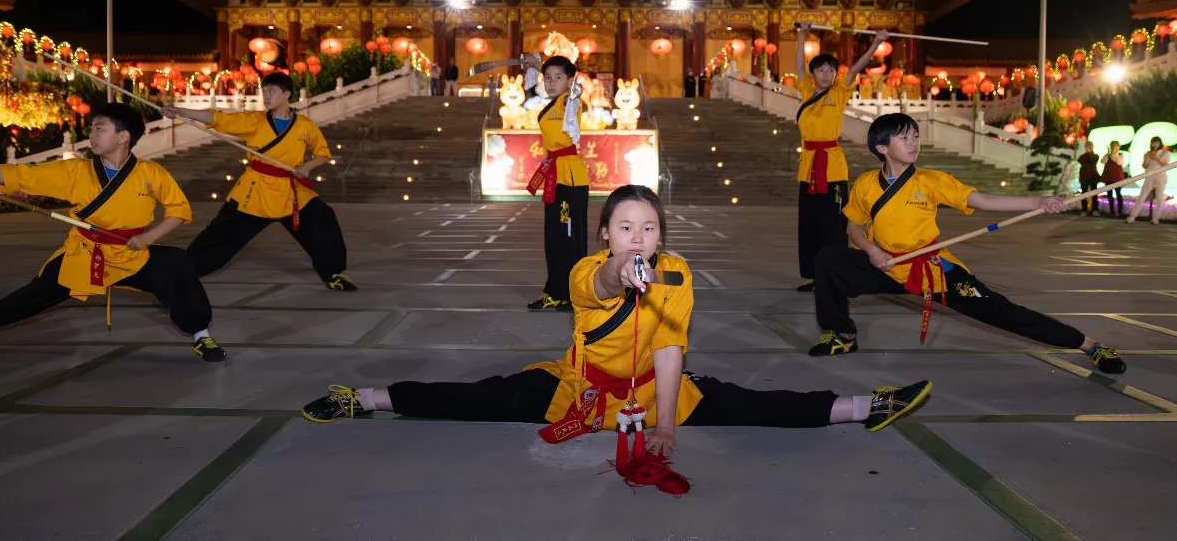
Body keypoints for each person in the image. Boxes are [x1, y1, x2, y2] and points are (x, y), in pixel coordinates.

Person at [301, 185, 933, 484]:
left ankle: (861, 407)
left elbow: (668, 347)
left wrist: (664, 423)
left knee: (751, 404)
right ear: (604, 234)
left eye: (649, 228)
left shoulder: (677, 275)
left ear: (663, 235)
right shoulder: (586, 270)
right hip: (577, 389)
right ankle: (370, 397)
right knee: (471, 399)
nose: (638, 238)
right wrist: (619, 274)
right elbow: (602, 288)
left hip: (655, 390)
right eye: (625, 227)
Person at [809, 113, 1127, 376]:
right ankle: (841, 335)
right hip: (887, 266)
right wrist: (872, 250)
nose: (913, 142)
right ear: (882, 147)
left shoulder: (931, 181)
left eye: (915, 136)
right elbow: (853, 226)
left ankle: (1089, 345)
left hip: (931, 270)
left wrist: (1040, 201)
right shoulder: (866, 184)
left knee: (1002, 311)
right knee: (828, 259)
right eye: (904, 137)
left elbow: (984, 199)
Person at [0, 103, 224, 361]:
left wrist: (148, 237)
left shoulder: (151, 173)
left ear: (123, 137)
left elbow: (179, 211)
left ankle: (201, 335)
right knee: (31, 297)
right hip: (86, 253)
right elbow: (23, 175)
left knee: (176, 263)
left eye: (100, 129)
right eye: (92, 129)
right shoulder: (76, 171)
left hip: (131, 253)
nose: (92, 135)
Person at [161, 72, 354, 292]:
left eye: (272, 91)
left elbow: (322, 153)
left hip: (290, 192)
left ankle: (333, 273)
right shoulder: (254, 121)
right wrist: (180, 112)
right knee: (218, 237)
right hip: (255, 191)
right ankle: (182, 274)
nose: (266, 96)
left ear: (287, 94)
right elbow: (217, 118)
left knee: (322, 218)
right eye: (264, 91)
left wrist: (307, 167)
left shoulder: (304, 125)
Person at [792, 25, 889, 292]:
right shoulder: (805, 90)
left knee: (835, 225)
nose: (826, 73)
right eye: (821, 70)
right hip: (808, 169)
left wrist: (877, 42)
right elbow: (799, 64)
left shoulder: (839, 92)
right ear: (813, 75)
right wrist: (801, 34)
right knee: (809, 225)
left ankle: (838, 277)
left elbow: (857, 68)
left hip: (833, 170)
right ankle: (812, 275)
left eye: (830, 70)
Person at [524, 55, 588, 311]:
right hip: (554, 174)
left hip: (570, 178)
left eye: (557, 77)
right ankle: (554, 291)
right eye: (547, 77)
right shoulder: (551, 104)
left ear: (570, 80)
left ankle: (574, 294)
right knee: (553, 237)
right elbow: (529, 89)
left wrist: (574, 89)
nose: (551, 83)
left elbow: (575, 94)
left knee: (569, 238)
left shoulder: (568, 102)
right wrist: (532, 64)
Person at [1127, 137, 1170, 225]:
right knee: (1142, 196)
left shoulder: (1165, 153)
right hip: (1149, 175)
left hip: (1160, 176)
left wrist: (1156, 157)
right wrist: (1147, 158)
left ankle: (1155, 219)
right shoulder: (1148, 153)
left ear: (1160, 143)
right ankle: (1132, 217)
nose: (1155, 144)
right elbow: (1145, 166)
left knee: (1159, 198)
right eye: (1153, 143)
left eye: (1156, 142)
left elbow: (1165, 164)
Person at [1100, 140, 1127, 217]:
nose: (1113, 147)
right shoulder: (1108, 155)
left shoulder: (1121, 155)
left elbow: (1119, 162)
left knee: (1118, 194)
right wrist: (1108, 153)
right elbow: (1102, 161)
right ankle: (1111, 210)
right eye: (1112, 145)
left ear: (1118, 147)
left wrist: (1114, 154)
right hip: (1108, 177)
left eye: (1115, 145)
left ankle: (1120, 210)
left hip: (1117, 177)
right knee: (1109, 194)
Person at [1077, 140, 1101, 216]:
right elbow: (1080, 161)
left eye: (1089, 146)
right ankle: (1084, 210)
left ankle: (1095, 209)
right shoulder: (1082, 156)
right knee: (1084, 193)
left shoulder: (1095, 156)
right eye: (1087, 146)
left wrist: (1090, 152)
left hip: (1093, 177)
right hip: (1084, 177)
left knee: (1094, 194)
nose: (1087, 147)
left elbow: (1092, 159)